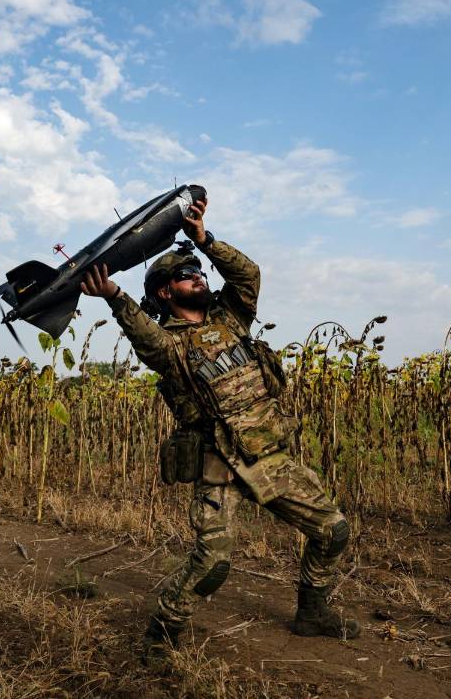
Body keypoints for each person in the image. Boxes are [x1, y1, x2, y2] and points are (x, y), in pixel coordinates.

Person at [78, 194, 359, 663]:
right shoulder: (168, 344)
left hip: (269, 458)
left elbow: (248, 275)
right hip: (219, 463)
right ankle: (163, 634)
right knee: (213, 562)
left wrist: (205, 241)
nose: (198, 277)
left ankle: (312, 613)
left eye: (199, 272)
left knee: (333, 531)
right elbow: (142, 336)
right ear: (165, 291)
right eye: (186, 275)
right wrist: (113, 296)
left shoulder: (231, 318)